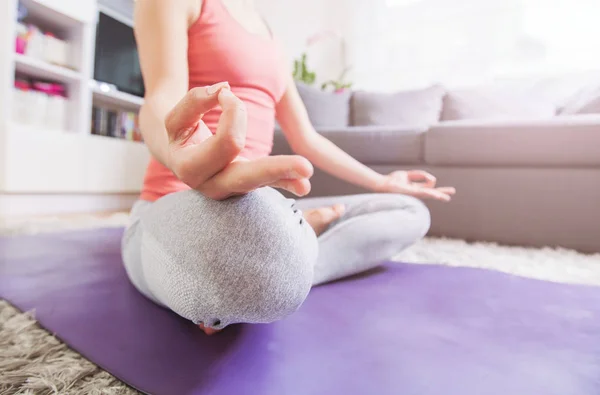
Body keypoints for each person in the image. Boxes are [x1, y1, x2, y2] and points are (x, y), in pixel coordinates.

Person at [122, 0, 456, 335]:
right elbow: (160, 99)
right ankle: (287, 248)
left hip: (262, 210)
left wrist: (383, 182)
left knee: (407, 211)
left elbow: (307, 138)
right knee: (232, 247)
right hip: (175, 211)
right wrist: (183, 153)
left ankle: (272, 265)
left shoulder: (270, 38)